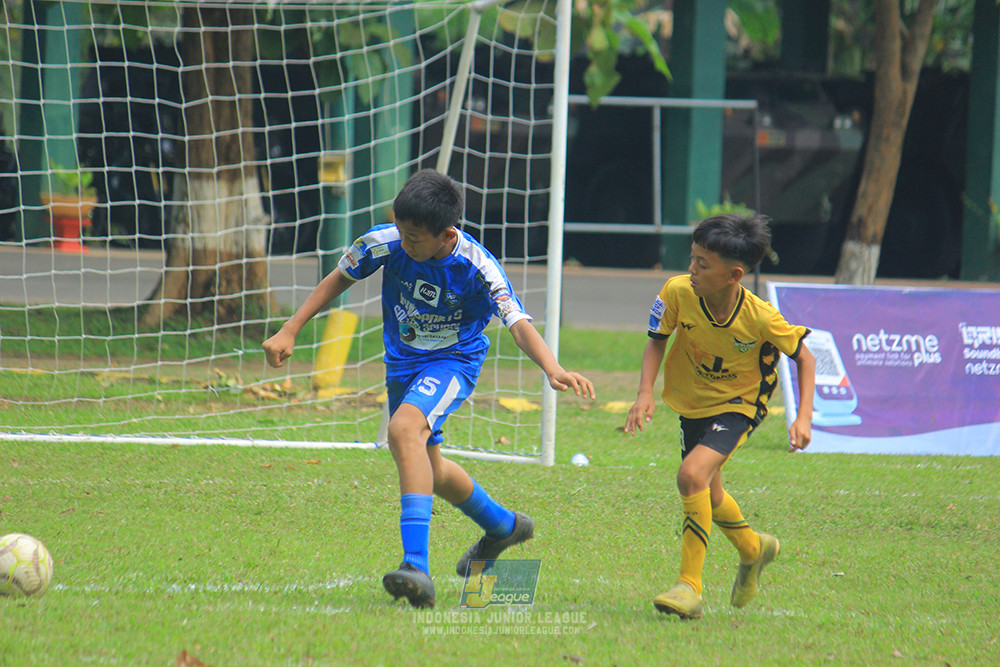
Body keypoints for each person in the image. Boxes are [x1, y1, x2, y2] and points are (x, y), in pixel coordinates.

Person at [263, 169, 595, 609]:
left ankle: (415, 565)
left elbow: (517, 322)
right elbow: (339, 277)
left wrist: (552, 367)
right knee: (430, 469)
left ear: (446, 234)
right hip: (401, 365)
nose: (404, 244)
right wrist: (291, 328)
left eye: (415, 238)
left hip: (452, 362)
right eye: (400, 231)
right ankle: (503, 526)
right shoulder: (385, 241)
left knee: (402, 432)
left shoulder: (477, 265)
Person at [623, 213, 815, 620]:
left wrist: (804, 418)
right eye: (692, 258)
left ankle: (689, 587)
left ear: (734, 275)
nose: (691, 269)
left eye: (702, 264)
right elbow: (657, 340)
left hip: (740, 405)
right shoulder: (677, 291)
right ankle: (753, 549)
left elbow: (806, 357)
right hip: (692, 403)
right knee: (708, 493)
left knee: (692, 475)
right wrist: (644, 393)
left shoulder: (760, 316)